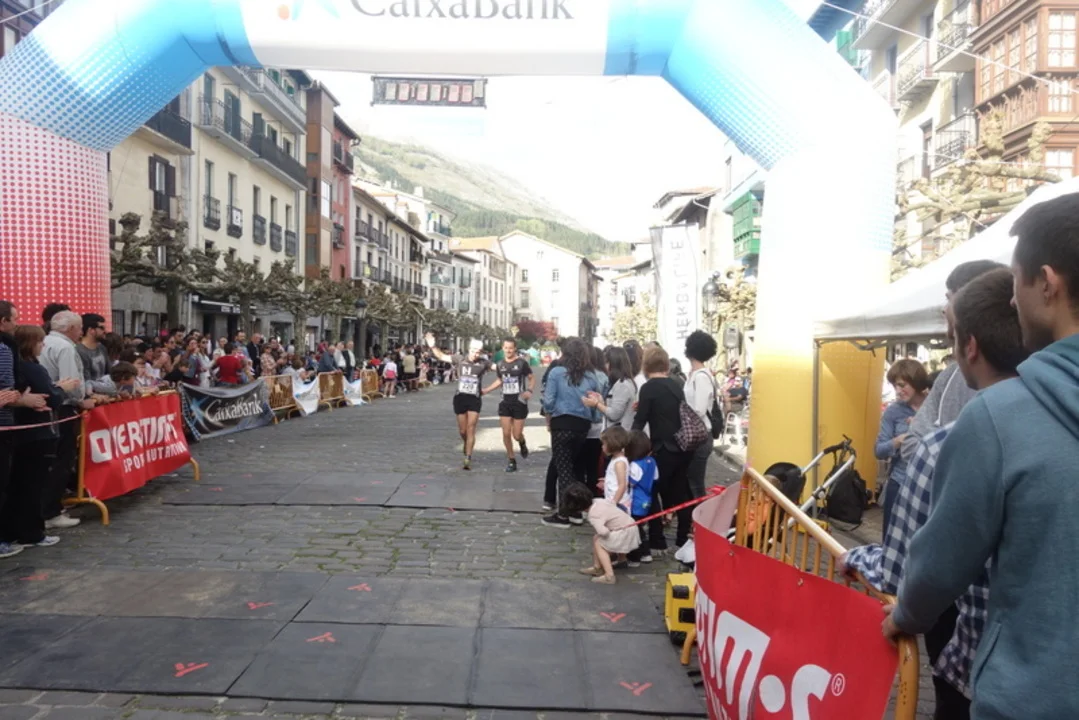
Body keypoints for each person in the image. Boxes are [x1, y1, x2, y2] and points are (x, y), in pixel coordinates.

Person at [883, 196, 1079, 720]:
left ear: (1047, 283)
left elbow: (941, 562)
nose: (1012, 299)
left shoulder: (1001, 417)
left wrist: (905, 615)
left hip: (1033, 697)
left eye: (1015, 281)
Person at [846, 269, 1025, 720]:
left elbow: (905, 570)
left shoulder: (944, 446)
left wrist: (855, 559)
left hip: (984, 672)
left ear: (969, 346)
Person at [899, 260, 1006, 463]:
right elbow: (911, 444)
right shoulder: (949, 376)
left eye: (949, 299)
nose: (944, 309)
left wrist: (937, 445)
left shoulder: (1024, 371)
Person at [0, 303, 53, 558]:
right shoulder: (5, 350)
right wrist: (22, 399)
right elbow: (9, 390)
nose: (17, 324)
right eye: (14, 319)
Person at [632, 345, 693, 554]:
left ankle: (657, 539)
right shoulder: (676, 385)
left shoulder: (648, 388)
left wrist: (630, 443)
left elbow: (641, 420)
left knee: (651, 491)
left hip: (662, 447)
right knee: (681, 493)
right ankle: (683, 538)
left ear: (646, 365)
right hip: (682, 446)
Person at [541, 337, 603, 528]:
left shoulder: (557, 373)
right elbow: (595, 405)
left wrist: (550, 411)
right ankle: (576, 512)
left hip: (562, 423)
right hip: (582, 426)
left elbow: (548, 401)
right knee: (574, 468)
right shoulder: (591, 376)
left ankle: (564, 514)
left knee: (564, 470)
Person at [39, 310, 93, 530]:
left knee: (49, 462)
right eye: (79, 328)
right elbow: (71, 382)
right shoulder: (65, 347)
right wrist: (81, 399)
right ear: (71, 328)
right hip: (62, 407)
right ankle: (51, 511)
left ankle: (45, 508)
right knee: (62, 460)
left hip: (45, 406)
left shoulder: (44, 342)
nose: (81, 332)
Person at [426, 334, 495, 470]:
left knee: (471, 428)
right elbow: (441, 356)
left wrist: (488, 389)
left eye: (478, 352)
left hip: (474, 399)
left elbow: (500, 369)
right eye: (474, 351)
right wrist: (432, 346)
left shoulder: (484, 362)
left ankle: (468, 457)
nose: (475, 354)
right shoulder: (460, 359)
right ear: (469, 349)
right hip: (460, 398)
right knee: (463, 431)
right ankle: (466, 442)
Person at [874, 358, 929, 531]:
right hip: (899, 481)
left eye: (902, 385)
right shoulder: (893, 411)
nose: (898, 391)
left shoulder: (934, 405)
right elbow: (879, 450)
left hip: (928, 484)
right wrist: (897, 441)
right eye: (895, 386)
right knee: (891, 536)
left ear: (916, 381)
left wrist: (920, 428)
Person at [563, 482, 640, 585]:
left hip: (624, 532)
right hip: (631, 526)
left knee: (599, 543)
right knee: (596, 538)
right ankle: (618, 561)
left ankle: (609, 576)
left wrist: (607, 529)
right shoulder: (598, 500)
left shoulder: (593, 515)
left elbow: (604, 532)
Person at [486, 338, 535, 473]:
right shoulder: (500, 364)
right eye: (506, 348)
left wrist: (529, 390)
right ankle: (511, 459)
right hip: (505, 402)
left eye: (511, 348)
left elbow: (531, 378)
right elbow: (500, 380)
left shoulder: (522, 363)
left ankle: (522, 442)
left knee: (516, 434)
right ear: (503, 348)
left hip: (519, 402)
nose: (508, 350)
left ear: (515, 348)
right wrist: (486, 390)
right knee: (506, 433)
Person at [684, 330, 719, 500]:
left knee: (695, 482)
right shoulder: (696, 375)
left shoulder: (701, 377)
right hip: (698, 434)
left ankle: (700, 513)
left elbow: (699, 408)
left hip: (700, 435)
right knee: (692, 480)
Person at [580, 346, 610, 495]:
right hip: (598, 424)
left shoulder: (580, 375)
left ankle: (580, 497)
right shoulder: (603, 376)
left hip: (582, 423)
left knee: (579, 465)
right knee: (593, 466)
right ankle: (592, 495)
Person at [584, 346, 637, 431]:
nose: (605, 366)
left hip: (619, 434)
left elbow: (614, 414)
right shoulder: (624, 383)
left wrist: (597, 404)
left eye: (607, 363)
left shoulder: (622, 385)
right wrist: (601, 401)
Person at [626, 429, 657, 565]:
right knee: (640, 527)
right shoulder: (652, 461)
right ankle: (646, 553)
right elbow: (655, 478)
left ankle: (635, 557)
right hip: (647, 499)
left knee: (634, 528)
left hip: (636, 501)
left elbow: (631, 483)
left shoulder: (635, 465)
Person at [76, 313, 114, 396]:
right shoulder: (79, 351)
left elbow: (109, 372)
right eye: (102, 328)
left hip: (105, 393)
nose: (105, 331)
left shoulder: (102, 347)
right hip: (91, 395)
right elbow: (85, 380)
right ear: (91, 330)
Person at [600, 425, 631, 514]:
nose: (602, 447)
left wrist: (614, 503)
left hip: (619, 503)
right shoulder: (615, 459)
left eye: (604, 444)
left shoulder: (619, 463)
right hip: (613, 500)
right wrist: (607, 480)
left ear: (612, 444)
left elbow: (622, 485)